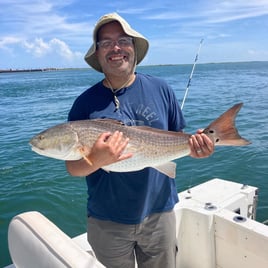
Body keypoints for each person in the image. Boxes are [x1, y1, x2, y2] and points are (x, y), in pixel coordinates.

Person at [66, 13, 214, 268]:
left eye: (123, 40)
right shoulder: (84, 103)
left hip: (160, 212)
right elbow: (73, 168)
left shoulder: (161, 89)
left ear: (133, 48)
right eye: (106, 43)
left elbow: (177, 140)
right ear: (98, 53)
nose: (115, 48)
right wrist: (96, 159)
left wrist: (198, 148)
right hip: (107, 220)